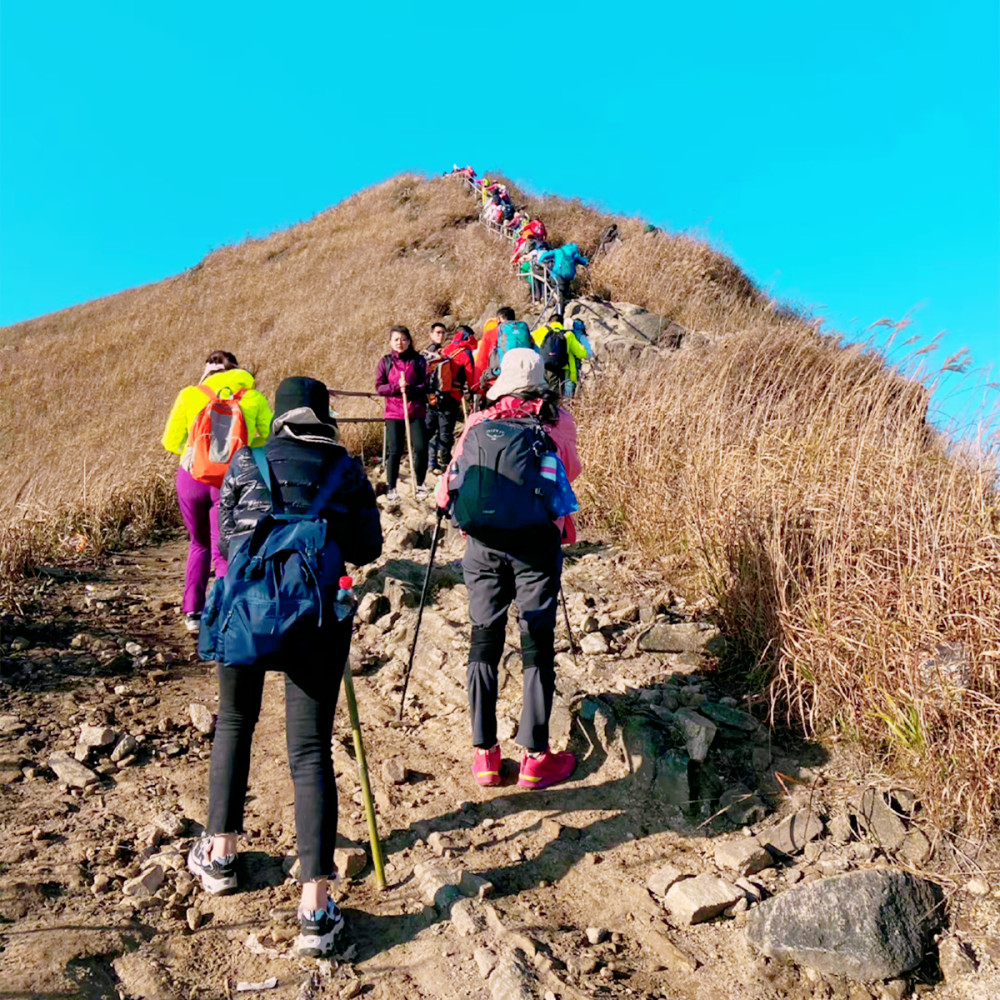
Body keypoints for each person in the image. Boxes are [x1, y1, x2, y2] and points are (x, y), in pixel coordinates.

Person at [187, 376, 382, 959]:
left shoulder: (247, 461)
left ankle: (221, 855)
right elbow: (368, 548)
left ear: (279, 416)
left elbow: (227, 536)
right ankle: (316, 910)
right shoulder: (345, 470)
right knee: (310, 750)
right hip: (316, 618)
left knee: (234, 722)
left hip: (245, 611)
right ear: (324, 418)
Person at [435, 349, 582, 791]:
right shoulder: (556, 420)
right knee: (536, 642)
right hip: (535, 545)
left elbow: (450, 484)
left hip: (483, 546)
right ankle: (536, 757)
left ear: (500, 383)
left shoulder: (478, 421)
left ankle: (485, 755)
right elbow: (571, 472)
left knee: (484, 638)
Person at [161, 351, 272, 632]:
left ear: (207, 372)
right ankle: (226, 610)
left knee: (199, 544)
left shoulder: (189, 395)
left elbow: (170, 441)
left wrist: (195, 452)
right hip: (231, 479)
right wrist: (242, 445)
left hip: (192, 477)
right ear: (237, 370)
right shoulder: (252, 397)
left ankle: (193, 612)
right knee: (224, 545)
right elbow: (269, 435)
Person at [375, 326, 429, 500]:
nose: (400, 343)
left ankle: (420, 484)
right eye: (396, 339)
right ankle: (392, 488)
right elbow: (379, 387)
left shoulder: (418, 361)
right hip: (393, 411)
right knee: (395, 450)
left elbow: (426, 385)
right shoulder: (386, 362)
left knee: (421, 448)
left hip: (415, 410)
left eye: (404, 339)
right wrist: (396, 387)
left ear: (409, 341)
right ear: (391, 342)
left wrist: (411, 389)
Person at [427, 326, 477, 471]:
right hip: (452, 395)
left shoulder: (446, 349)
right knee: (446, 430)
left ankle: (430, 462)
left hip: (435, 395)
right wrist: (472, 391)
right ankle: (445, 463)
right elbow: (471, 377)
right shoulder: (465, 353)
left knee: (433, 430)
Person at [532, 314, 590, 398]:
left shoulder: (540, 332)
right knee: (561, 400)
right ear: (562, 323)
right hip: (564, 372)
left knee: (544, 398)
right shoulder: (568, 335)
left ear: (549, 322)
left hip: (543, 370)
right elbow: (582, 354)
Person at [473, 307, 515, 402]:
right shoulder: (523, 334)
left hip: (496, 382)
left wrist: (478, 388)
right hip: (521, 380)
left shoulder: (491, 334)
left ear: (498, 319)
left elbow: (482, 360)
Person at [537, 243, 589, 311]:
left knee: (559, 296)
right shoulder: (574, 255)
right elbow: (585, 262)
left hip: (556, 275)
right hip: (567, 278)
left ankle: (557, 311)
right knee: (562, 296)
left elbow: (544, 256)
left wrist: (541, 263)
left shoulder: (558, 251)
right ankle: (559, 312)